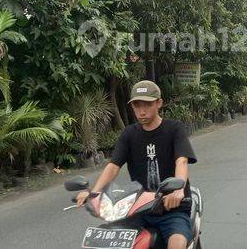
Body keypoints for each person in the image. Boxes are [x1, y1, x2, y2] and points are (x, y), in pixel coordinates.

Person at [75, 80, 197, 249]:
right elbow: (113, 166)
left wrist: (177, 189)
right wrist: (94, 193)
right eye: (137, 105)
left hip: (171, 209)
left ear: (159, 103)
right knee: (103, 241)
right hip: (138, 209)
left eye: (147, 104)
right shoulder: (129, 134)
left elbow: (181, 161)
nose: (141, 111)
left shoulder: (174, 128)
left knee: (177, 243)